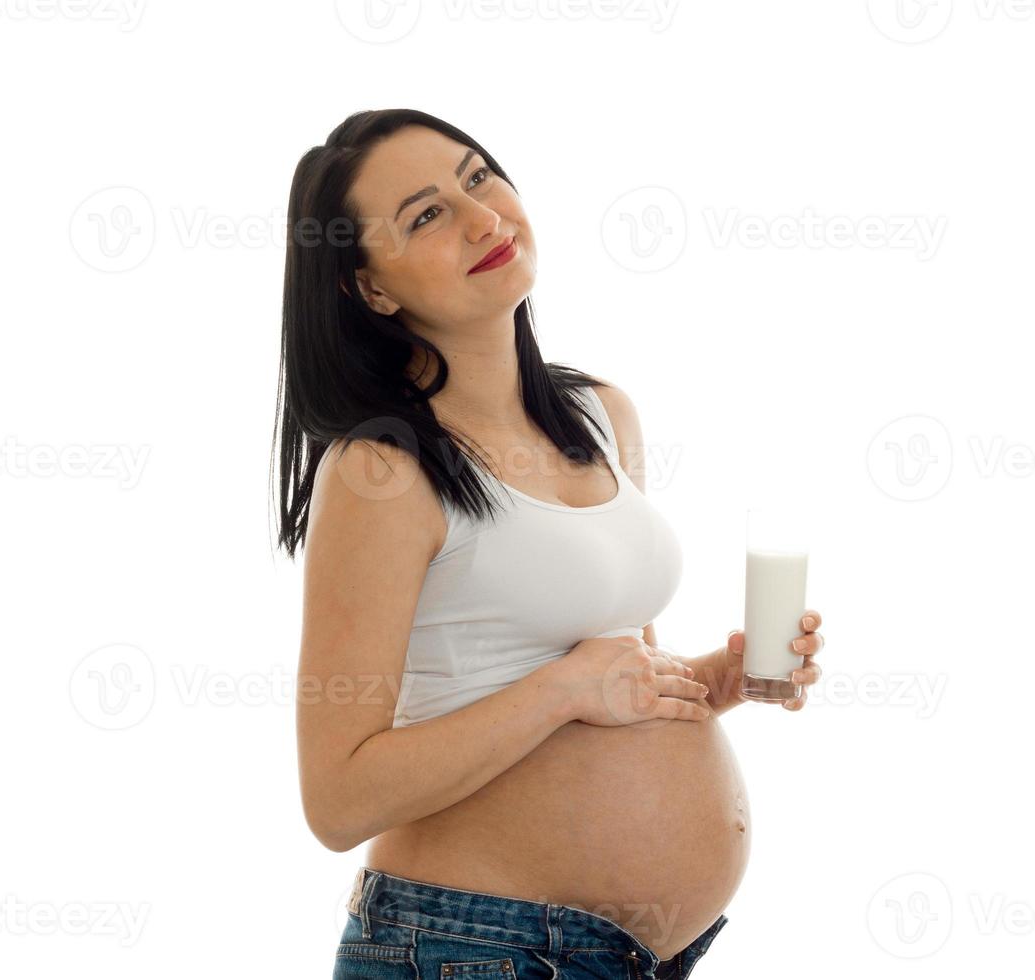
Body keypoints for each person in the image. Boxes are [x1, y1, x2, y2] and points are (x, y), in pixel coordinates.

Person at [271, 108, 827, 979]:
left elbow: (612, 677)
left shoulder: (600, 414)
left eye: (479, 177)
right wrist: (560, 689)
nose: (482, 218)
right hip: (469, 949)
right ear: (371, 288)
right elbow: (338, 798)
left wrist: (712, 684)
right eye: (426, 215)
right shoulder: (382, 470)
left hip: (637, 955)